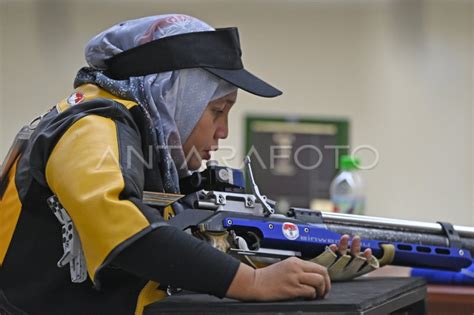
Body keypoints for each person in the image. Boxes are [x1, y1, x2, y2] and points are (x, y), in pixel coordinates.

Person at [0, 14, 373, 315]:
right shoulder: (90, 127)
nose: (224, 131)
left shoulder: (134, 140)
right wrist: (254, 283)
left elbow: (175, 256)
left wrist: (304, 264)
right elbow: (126, 233)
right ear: (173, 96)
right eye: (217, 110)